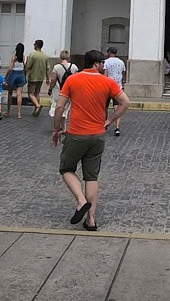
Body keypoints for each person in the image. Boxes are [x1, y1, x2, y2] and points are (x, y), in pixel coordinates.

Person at [51, 50, 131, 231]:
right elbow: (125, 103)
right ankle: (91, 220)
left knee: (66, 168)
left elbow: (60, 107)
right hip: (97, 135)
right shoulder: (108, 82)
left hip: (76, 133)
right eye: (102, 63)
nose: (104, 66)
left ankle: (80, 200)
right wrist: (109, 121)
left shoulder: (73, 80)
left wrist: (56, 129)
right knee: (92, 177)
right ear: (96, 64)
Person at [47, 50, 78, 120]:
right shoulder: (74, 67)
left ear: (60, 57)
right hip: (70, 90)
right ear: (68, 57)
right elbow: (76, 79)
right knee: (66, 107)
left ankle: (58, 125)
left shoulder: (56, 67)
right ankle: (63, 126)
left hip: (59, 90)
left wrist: (50, 89)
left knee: (57, 106)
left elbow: (53, 80)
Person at [102, 48, 126, 136]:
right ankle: (117, 127)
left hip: (108, 87)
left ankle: (104, 125)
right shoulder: (121, 62)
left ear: (109, 52)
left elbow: (105, 75)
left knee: (105, 107)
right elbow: (122, 74)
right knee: (117, 108)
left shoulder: (106, 62)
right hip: (118, 87)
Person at [25, 40, 50, 117]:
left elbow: (28, 66)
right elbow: (47, 68)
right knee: (37, 93)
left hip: (33, 76)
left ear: (36, 45)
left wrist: (26, 73)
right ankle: (36, 109)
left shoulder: (32, 55)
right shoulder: (45, 56)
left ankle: (38, 105)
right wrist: (47, 78)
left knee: (31, 94)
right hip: (41, 77)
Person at [6, 42, 26, 117]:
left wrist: (6, 76)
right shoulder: (23, 57)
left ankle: (8, 110)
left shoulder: (14, 57)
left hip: (14, 74)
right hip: (21, 74)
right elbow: (25, 67)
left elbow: (10, 68)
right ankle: (19, 113)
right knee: (19, 94)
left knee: (10, 93)